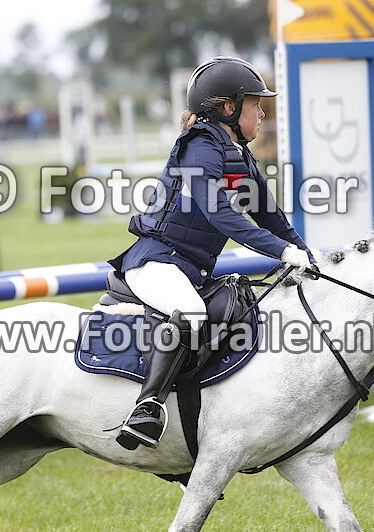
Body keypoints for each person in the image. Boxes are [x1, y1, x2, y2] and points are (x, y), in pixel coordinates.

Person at [108, 56, 313, 450]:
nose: (262, 112)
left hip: (192, 269)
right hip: (156, 261)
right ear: (229, 108)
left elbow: (270, 215)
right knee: (193, 314)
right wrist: (282, 252)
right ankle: (147, 407)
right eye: (256, 105)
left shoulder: (238, 153)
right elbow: (219, 214)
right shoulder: (199, 146)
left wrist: (306, 255)